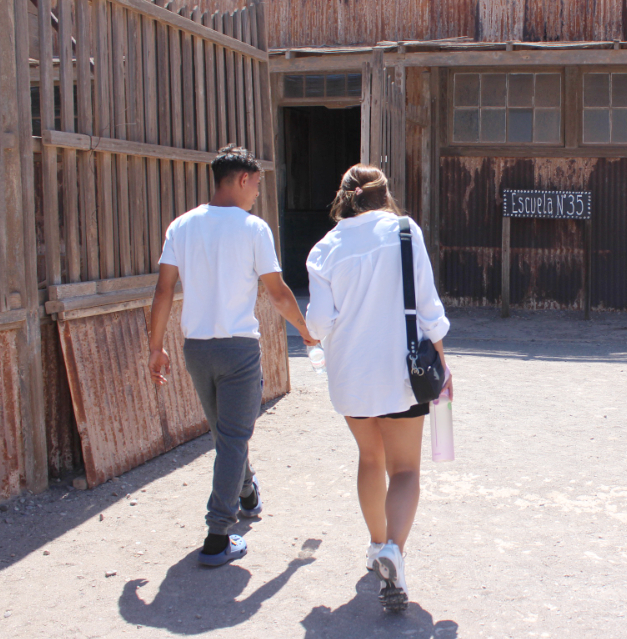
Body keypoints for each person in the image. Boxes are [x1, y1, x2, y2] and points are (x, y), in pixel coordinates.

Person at [148, 144, 320, 567]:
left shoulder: (181, 226)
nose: (257, 193)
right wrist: (305, 331)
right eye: (257, 184)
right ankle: (218, 536)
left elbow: (164, 289)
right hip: (238, 351)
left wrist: (155, 346)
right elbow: (278, 293)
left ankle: (246, 491)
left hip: (196, 350)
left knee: (226, 436)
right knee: (232, 439)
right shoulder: (253, 229)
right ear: (242, 179)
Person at [305, 164, 451, 612]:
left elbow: (317, 324)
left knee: (370, 458)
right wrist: (443, 363)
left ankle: (375, 546)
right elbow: (428, 307)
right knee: (404, 469)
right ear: (385, 195)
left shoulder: (324, 249)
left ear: (345, 196)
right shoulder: (405, 232)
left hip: (350, 375)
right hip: (403, 372)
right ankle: (394, 551)